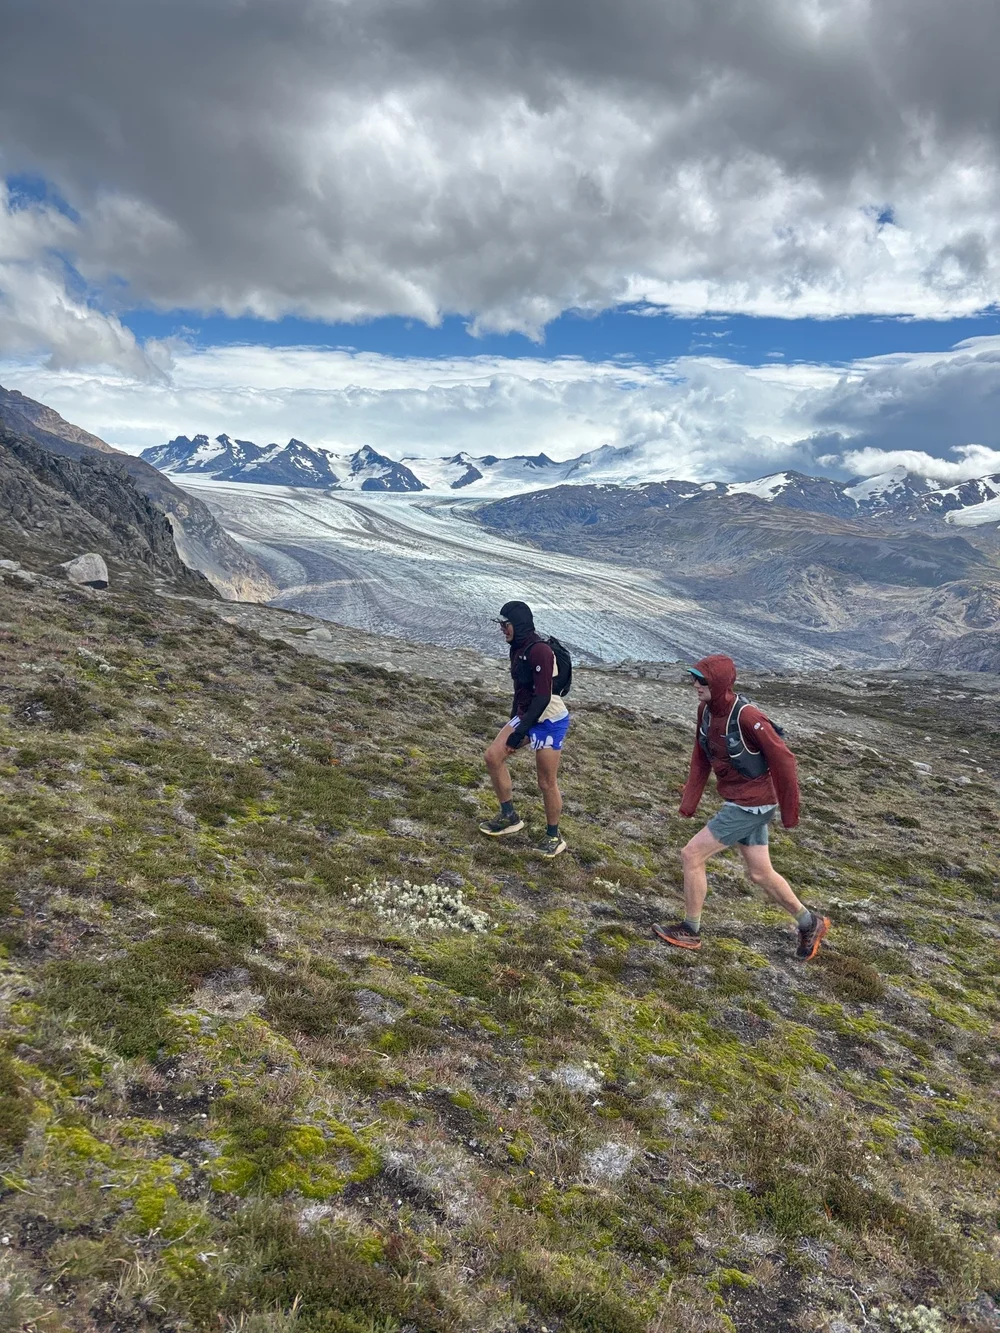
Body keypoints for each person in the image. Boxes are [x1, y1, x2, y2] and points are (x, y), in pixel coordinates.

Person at [652, 654, 830, 960]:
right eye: (693, 678)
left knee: (691, 854)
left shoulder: (748, 716)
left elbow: (784, 759)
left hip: (752, 805)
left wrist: (790, 813)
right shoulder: (705, 711)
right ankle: (809, 922)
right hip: (741, 801)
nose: (695, 684)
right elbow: (700, 755)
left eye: (702, 680)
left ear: (719, 683)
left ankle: (690, 931)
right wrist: (689, 802)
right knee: (760, 873)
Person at [479, 600, 569, 857]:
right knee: (493, 756)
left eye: (505, 625)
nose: (502, 630)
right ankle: (509, 816)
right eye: (501, 624)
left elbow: (542, 697)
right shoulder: (517, 648)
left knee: (545, 781)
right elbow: (521, 691)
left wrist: (520, 730)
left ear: (518, 625)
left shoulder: (540, 651)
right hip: (529, 715)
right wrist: (513, 722)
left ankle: (554, 837)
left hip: (550, 720)